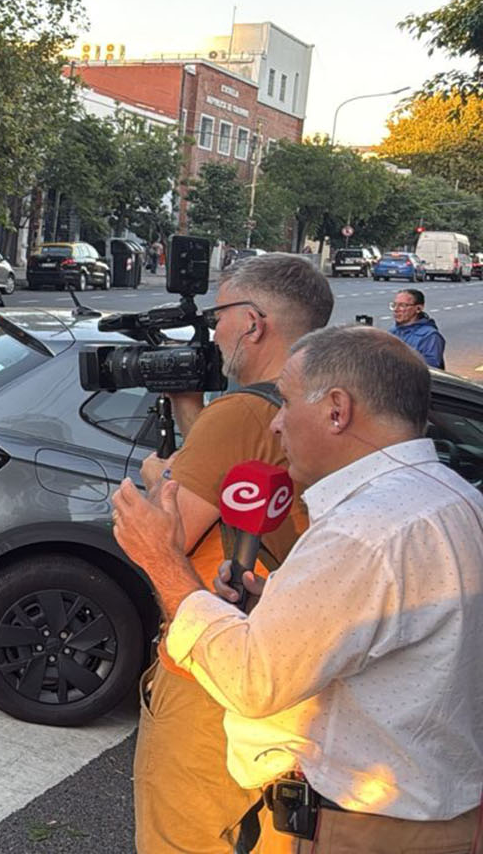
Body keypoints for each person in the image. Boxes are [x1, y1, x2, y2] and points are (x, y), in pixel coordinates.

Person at [113, 326, 483, 853]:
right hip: (439, 817)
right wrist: (272, 612)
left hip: (368, 829)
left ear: (337, 410)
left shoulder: (364, 529)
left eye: (285, 402)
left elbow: (251, 683)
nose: (278, 425)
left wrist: (162, 560)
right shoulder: (451, 495)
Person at [122, 252, 335, 854]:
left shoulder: (242, 413)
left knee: (184, 835)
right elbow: (240, 481)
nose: (213, 332)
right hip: (293, 673)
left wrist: (160, 473)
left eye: (219, 316)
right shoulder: (310, 414)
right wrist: (193, 417)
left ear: (252, 322)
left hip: (214, 676)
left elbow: (170, 535)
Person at [388, 288, 446, 370]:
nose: (396, 310)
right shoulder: (393, 331)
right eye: (394, 305)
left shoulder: (429, 336)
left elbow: (431, 369)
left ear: (418, 308)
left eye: (403, 305)